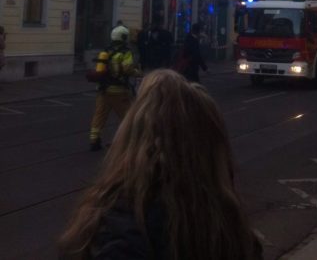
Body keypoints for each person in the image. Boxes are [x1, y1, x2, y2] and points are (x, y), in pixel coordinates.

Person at [59, 69, 262, 260]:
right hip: (116, 89)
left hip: (109, 91)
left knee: (99, 118)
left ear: (130, 138)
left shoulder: (108, 228)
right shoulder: (234, 231)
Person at [88, 25, 140, 151]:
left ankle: (94, 140)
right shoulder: (125, 52)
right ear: (123, 37)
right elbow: (127, 68)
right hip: (119, 91)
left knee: (99, 116)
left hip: (103, 90)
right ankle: (127, 142)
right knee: (127, 117)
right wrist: (138, 73)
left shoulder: (106, 51)